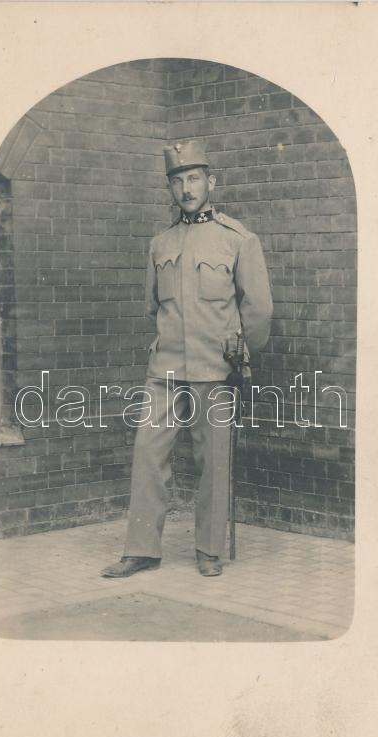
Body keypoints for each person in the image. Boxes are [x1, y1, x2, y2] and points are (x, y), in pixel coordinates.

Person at [101, 140, 273, 578]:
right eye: (177, 181)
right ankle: (142, 549)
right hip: (165, 368)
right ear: (170, 188)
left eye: (194, 178)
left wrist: (240, 354)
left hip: (215, 367)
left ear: (210, 182)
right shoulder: (160, 244)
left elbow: (259, 310)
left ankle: (208, 550)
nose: (186, 188)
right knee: (148, 454)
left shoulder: (238, 240)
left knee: (212, 462)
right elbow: (152, 305)